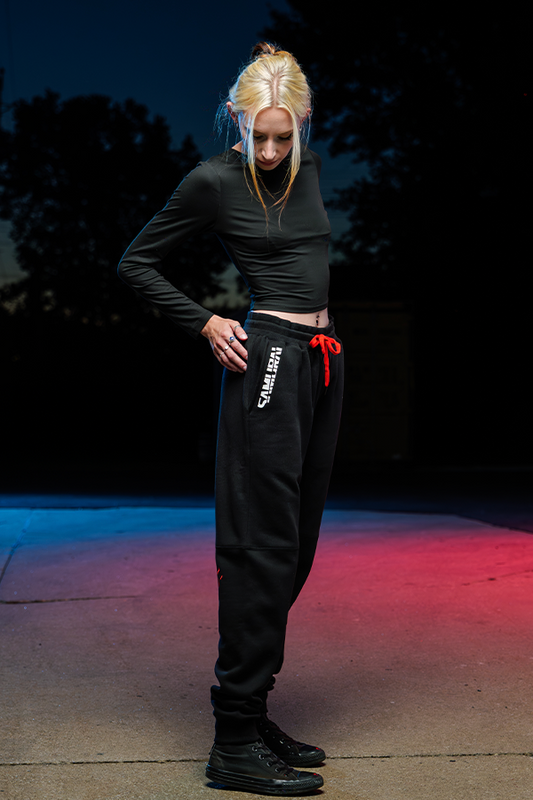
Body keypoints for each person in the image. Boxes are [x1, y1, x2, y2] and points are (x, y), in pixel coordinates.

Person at [118, 42, 343, 796]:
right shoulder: (213, 180)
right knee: (260, 546)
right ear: (234, 121)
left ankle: (256, 706)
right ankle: (234, 738)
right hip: (268, 360)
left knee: (296, 542)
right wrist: (206, 322)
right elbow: (136, 263)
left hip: (322, 358)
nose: (270, 152)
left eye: (283, 135)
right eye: (256, 135)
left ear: (302, 123)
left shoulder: (308, 167)